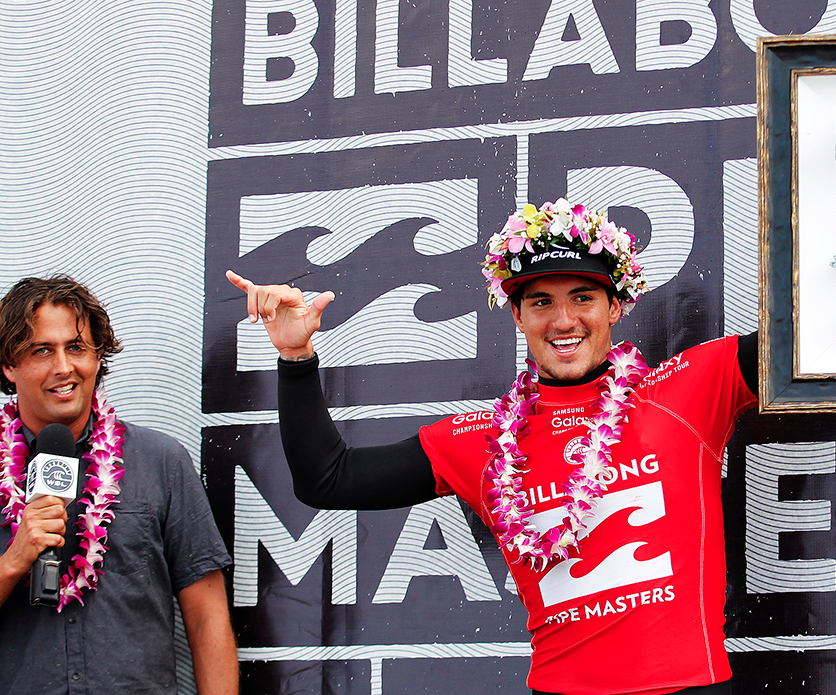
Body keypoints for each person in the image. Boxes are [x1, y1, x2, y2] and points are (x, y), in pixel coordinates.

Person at [228, 199, 758, 695]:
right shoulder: (482, 440)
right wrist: (296, 357)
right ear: (516, 316)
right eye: (541, 301)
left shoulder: (689, 387)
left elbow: (811, 340)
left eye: (583, 297)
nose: (564, 320)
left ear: (616, 305)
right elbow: (328, 479)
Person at [0, 276, 237, 694]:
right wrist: (13, 561)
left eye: (76, 348)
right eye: (41, 350)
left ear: (97, 358)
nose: (63, 367)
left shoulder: (159, 460)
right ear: (8, 365)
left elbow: (207, 618)